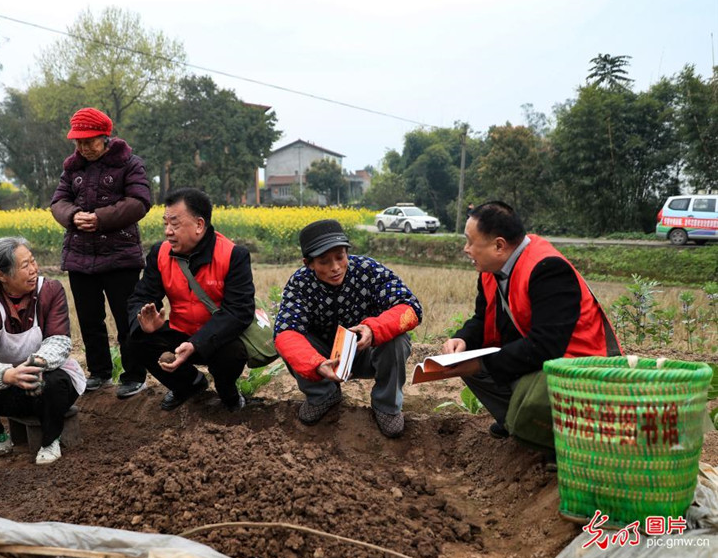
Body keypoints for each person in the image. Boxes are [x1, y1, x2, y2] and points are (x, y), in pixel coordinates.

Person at [442, 201, 621, 449]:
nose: (466, 249)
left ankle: (557, 443)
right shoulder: (491, 271)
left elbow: (546, 346)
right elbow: (482, 319)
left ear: (499, 245)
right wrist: (462, 339)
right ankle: (517, 423)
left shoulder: (548, 269)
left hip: (578, 369)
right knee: (465, 363)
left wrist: (483, 363)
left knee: (517, 385)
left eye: (470, 242)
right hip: (542, 357)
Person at [274, 219, 423, 438]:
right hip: (324, 358)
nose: (335, 267)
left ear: (347, 253)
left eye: (340, 257)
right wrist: (316, 364)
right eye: (324, 261)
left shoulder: (367, 270)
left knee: (398, 338)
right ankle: (323, 395)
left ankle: (387, 406)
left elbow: (410, 307)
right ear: (309, 263)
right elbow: (286, 331)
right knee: (288, 341)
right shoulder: (300, 284)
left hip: (365, 351)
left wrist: (373, 330)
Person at [0, 237, 85, 466]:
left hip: (43, 382)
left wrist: (35, 365)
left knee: (56, 381)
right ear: (1, 275)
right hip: (9, 385)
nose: (34, 269)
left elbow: (59, 341)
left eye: (33, 261)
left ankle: (50, 441)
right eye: (25, 265)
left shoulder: (50, 290)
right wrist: (7, 375)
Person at [51, 107, 152, 397]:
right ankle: (99, 372)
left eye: (89, 141)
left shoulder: (129, 164)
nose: (83, 148)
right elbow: (58, 201)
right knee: (89, 319)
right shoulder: (72, 168)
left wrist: (100, 218)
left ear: (105, 137)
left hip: (121, 256)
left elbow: (140, 201)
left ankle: (134, 375)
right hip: (80, 256)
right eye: (79, 142)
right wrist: (73, 216)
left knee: (126, 317)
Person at [126, 188, 254, 412]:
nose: (168, 231)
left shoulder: (233, 255)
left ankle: (227, 391)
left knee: (233, 353)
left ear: (199, 225)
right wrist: (145, 321)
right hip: (180, 331)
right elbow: (141, 296)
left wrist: (196, 344)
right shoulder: (160, 253)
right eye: (165, 223)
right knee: (137, 340)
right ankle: (188, 385)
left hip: (216, 337)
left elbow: (238, 312)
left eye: (175, 224)